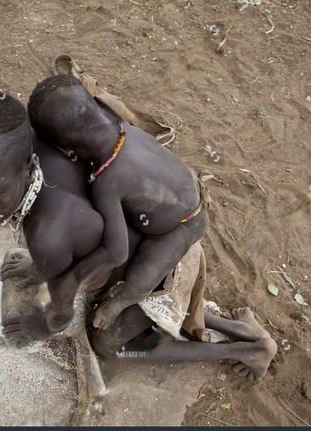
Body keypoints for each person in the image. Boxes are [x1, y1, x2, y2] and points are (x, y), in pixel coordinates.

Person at [0, 92, 276, 381]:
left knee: (108, 346)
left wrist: (39, 325)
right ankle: (236, 329)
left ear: (27, 169)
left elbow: (60, 313)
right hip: (167, 239)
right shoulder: (41, 143)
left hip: (156, 274)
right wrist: (38, 269)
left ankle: (249, 350)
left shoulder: (47, 237)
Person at [26, 74, 209, 330]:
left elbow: (116, 252)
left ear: (69, 153)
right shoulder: (123, 127)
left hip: (183, 224)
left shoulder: (108, 183)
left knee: (142, 276)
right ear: (98, 108)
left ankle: (120, 303)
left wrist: (69, 279)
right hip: (182, 189)